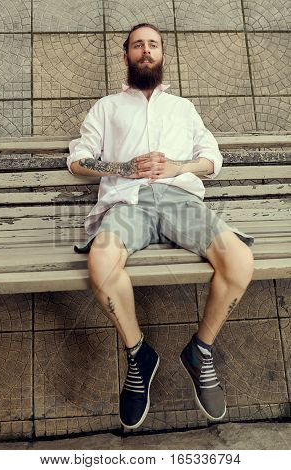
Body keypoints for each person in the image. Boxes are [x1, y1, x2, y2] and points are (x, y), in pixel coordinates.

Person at [67, 23, 255, 429]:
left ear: (162, 55)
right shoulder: (107, 107)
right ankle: (139, 354)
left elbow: (212, 159)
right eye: (138, 45)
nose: (146, 51)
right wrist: (122, 167)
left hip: (179, 199)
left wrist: (177, 166)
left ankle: (200, 351)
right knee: (101, 262)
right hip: (127, 201)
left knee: (239, 261)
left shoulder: (183, 108)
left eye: (153, 44)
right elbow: (78, 160)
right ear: (126, 57)